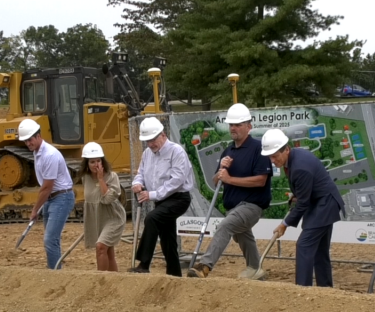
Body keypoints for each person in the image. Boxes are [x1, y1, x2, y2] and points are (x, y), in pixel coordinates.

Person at [188, 103, 273, 279]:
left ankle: (205, 266)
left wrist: (229, 179)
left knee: (225, 226)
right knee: (244, 236)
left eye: (238, 124)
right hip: (233, 206)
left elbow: (260, 180)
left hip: (252, 205)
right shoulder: (229, 150)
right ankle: (256, 269)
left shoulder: (258, 149)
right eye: (231, 124)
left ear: (248, 126)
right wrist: (221, 172)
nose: (233, 128)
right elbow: (216, 179)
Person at [261, 128, 344, 287]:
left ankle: (302, 290)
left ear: (285, 149)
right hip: (322, 202)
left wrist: (284, 224)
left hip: (324, 206)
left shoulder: (299, 167)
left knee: (304, 246)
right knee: (320, 252)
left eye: (274, 156)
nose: (272, 160)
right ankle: (325, 289)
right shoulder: (294, 157)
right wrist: (298, 194)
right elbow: (306, 192)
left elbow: (303, 203)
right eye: (269, 156)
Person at [131, 117, 195, 276]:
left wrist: (151, 194)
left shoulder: (176, 151)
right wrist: (137, 183)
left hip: (178, 198)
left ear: (163, 135)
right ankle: (174, 275)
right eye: (147, 141)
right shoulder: (147, 153)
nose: (151, 144)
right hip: (161, 201)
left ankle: (144, 263)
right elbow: (141, 173)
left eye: (153, 139)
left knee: (152, 218)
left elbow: (177, 181)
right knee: (168, 240)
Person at [19, 118, 76, 270]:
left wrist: (35, 209)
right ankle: (55, 269)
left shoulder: (49, 155)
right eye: (25, 141)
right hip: (52, 199)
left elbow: (47, 187)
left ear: (38, 136)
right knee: (52, 240)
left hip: (61, 197)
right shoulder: (38, 152)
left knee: (50, 240)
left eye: (29, 140)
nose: (28, 143)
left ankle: (55, 274)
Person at [81, 142, 126, 271]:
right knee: (108, 251)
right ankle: (113, 280)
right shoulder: (86, 178)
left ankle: (101, 280)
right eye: (92, 162)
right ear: (87, 164)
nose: (96, 165)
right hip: (98, 217)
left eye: (98, 161)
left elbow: (107, 199)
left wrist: (101, 180)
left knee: (100, 247)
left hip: (113, 217)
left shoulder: (112, 177)